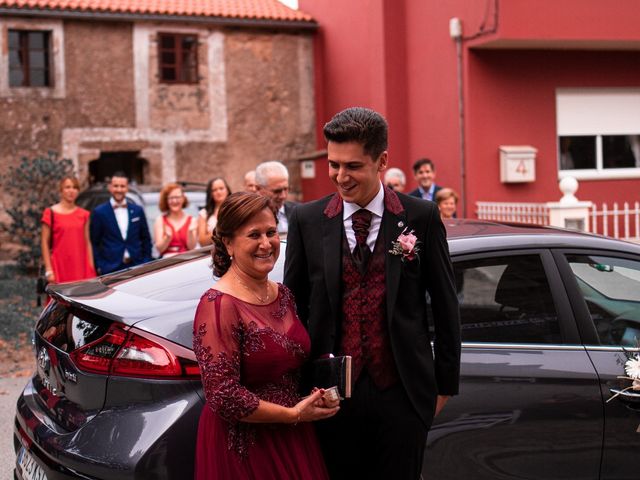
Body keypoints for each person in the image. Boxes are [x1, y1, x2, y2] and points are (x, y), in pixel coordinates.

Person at [284, 107, 461, 480]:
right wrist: (298, 388)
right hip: (328, 397)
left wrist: (442, 387)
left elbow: (446, 307)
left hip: (403, 393)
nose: (340, 177)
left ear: (381, 161)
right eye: (334, 165)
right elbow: (294, 308)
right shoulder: (307, 220)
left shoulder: (422, 217)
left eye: (353, 166)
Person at [192, 192, 339, 479]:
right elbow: (223, 396)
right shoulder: (218, 305)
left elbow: (291, 364)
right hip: (246, 445)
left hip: (293, 435)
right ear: (228, 243)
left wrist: (319, 395)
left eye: (271, 232)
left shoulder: (282, 293)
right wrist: (294, 415)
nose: (266, 244)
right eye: (253, 235)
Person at [90, 172, 152, 275]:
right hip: (111, 268)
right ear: (110, 187)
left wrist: (146, 262)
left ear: (127, 188)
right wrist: (101, 266)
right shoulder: (99, 212)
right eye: (116, 186)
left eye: (122, 186)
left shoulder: (137, 210)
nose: (119, 189)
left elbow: (146, 238)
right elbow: (95, 243)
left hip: (137, 266)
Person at [41, 176, 96, 283]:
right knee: (60, 299)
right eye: (67, 187)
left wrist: (91, 267)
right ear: (61, 190)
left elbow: (87, 242)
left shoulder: (84, 215)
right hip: (59, 266)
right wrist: (49, 270)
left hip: (81, 267)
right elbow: (44, 243)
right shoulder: (50, 213)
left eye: (75, 188)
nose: (71, 191)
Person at [153, 183, 197, 257]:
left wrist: (190, 233)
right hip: (166, 263)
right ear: (166, 200)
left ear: (183, 198)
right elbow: (159, 249)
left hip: (186, 261)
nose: (174, 201)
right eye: (171, 198)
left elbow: (191, 247)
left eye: (177, 197)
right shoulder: (160, 220)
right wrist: (167, 238)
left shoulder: (192, 220)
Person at [255, 161, 297, 236]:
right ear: (258, 188)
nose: (283, 196)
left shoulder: (298, 211)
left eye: (286, 189)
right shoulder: (249, 216)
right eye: (277, 191)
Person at [198, 177, 231, 246]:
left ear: (227, 190)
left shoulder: (235, 208)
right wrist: (219, 231)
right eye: (214, 190)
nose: (218, 192)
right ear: (210, 193)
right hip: (211, 253)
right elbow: (202, 241)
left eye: (221, 188)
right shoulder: (204, 213)